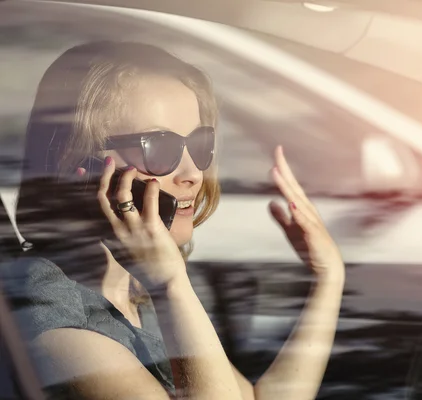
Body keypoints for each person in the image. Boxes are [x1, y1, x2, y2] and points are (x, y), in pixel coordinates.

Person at [1, 41, 345, 400]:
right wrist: (170, 286)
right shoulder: (55, 331)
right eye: (159, 147)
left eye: (199, 144)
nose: (194, 173)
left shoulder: (135, 289)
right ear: (79, 164)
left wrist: (328, 278)